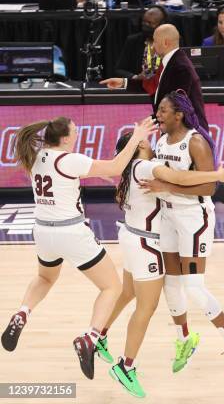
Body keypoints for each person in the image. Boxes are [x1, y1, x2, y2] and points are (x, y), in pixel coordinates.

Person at [0, 116, 157, 380]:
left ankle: (21, 313)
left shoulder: (36, 156)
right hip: (70, 232)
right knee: (111, 287)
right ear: (64, 138)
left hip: (43, 231)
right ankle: (90, 337)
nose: (77, 133)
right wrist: (139, 136)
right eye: (73, 131)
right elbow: (118, 166)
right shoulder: (70, 159)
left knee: (44, 277)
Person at [95, 133, 224, 397]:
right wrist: (216, 175)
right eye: (146, 139)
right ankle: (126, 366)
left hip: (130, 236)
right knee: (146, 307)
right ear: (140, 145)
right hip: (146, 244)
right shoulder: (144, 166)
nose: (153, 142)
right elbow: (180, 178)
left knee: (128, 292)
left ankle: (98, 335)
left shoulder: (130, 169)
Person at [102, 24, 224, 240]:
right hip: (174, 128)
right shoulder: (169, 63)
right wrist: (122, 83)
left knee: (197, 178)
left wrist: (153, 122)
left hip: (187, 131)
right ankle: (144, 214)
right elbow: (151, 86)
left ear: (166, 43)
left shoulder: (180, 67)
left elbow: (178, 105)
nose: (152, 45)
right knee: (166, 171)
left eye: (155, 41)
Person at [139, 90, 224, 378]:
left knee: (193, 286)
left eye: (163, 111)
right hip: (168, 216)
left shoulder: (196, 142)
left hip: (194, 218)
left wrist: (167, 188)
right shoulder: (161, 141)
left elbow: (209, 187)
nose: (158, 116)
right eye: (158, 111)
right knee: (171, 285)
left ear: (179, 115)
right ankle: (185, 340)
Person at [115, 5, 169, 96]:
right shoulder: (133, 41)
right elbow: (119, 70)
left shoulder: (171, 42)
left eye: (150, 23)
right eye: (144, 22)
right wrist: (136, 77)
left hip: (165, 91)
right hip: (139, 92)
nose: (145, 25)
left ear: (162, 25)